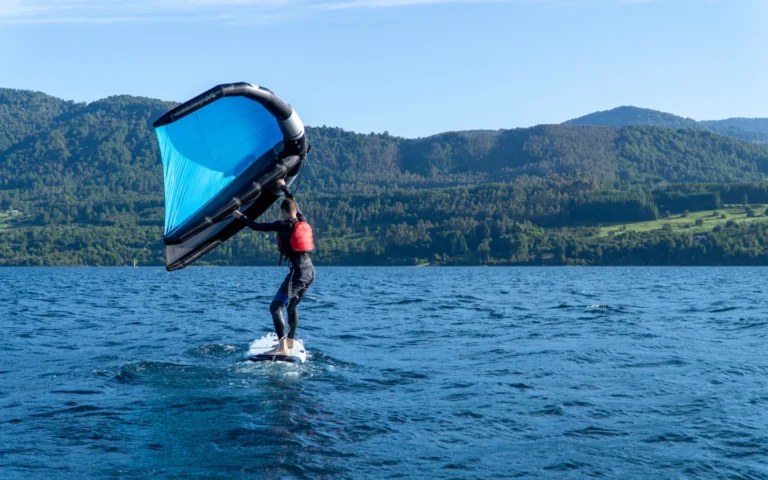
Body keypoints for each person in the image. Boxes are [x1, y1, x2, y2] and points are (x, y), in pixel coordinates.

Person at [232, 179, 316, 355]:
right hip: (310, 272)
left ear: (284, 213)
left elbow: (255, 226)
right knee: (292, 306)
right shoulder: (302, 220)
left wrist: (238, 215)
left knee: (275, 307)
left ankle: (283, 347)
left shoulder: (282, 225)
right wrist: (284, 187)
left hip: (298, 273)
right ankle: (291, 342)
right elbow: (294, 203)